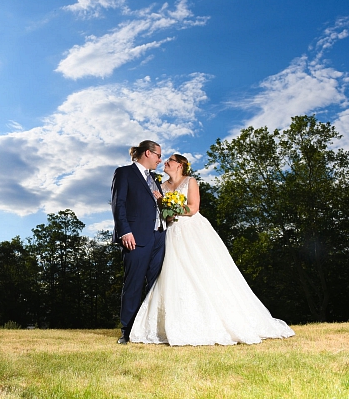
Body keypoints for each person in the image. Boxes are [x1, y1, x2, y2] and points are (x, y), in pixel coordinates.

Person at [129, 153, 295, 346]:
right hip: (172, 233)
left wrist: (168, 205)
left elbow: (193, 208)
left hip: (193, 231)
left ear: (180, 165)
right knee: (176, 273)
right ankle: (180, 323)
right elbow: (161, 215)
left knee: (205, 271)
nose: (165, 163)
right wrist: (162, 205)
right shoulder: (162, 187)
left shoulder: (190, 181)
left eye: (169, 161)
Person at [111, 140, 166, 345]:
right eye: (158, 155)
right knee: (133, 284)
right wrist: (125, 231)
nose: (160, 160)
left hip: (159, 237)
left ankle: (150, 329)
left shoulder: (155, 179)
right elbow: (119, 204)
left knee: (155, 285)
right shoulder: (124, 173)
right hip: (135, 237)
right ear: (147, 153)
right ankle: (127, 331)